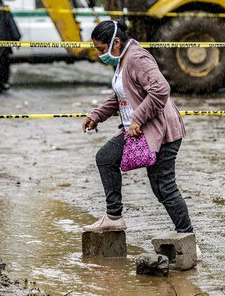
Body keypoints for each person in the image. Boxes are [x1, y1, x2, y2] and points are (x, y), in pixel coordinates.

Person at [81, 20, 194, 234]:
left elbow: (161, 89)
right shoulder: (122, 59)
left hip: (162, 132)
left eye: (101, 49)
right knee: (105, 158)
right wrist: (96, 115)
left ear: (116, 42)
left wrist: (138, 119)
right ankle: (114, 217)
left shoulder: (137, 58)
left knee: (164, 188)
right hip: (137, 131)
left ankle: (187, 236)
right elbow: (121, 95)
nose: (99, 55)